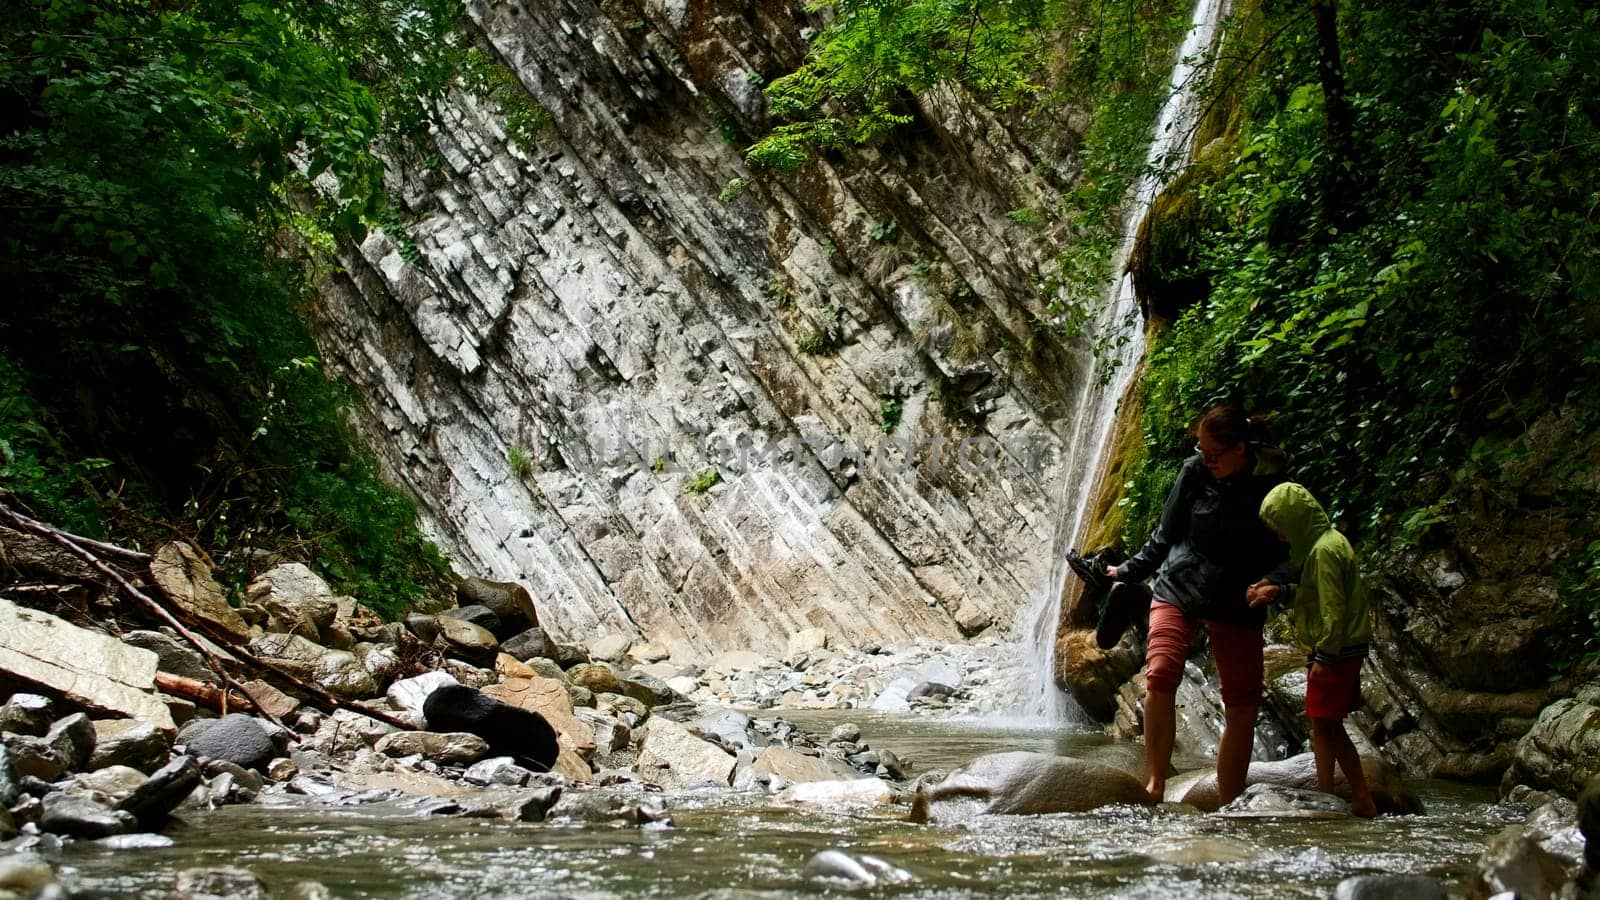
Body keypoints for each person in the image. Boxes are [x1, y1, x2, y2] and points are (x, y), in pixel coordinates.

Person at [1104, 405, 1290, 804]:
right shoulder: (1194, 471)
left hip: (1239, 596)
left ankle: (1229, 797)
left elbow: (1293, 547)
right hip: (1180, 582)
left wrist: (1275, 581)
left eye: (1213, 454)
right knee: (1160, 674)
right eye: (1200, 450)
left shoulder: (1274, 483)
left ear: (1241, 448)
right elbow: (1165, 533)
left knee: (1242, 702)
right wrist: (1128, 571)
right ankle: (1156, 781)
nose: (1205, 460)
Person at [1248, 482, 1377, 818]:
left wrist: (1324, 657)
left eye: (1282, 529)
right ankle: (1327, 792)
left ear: (1296, 521)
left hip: (1336, 650)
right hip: (1339, 646)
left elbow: (1334, 609)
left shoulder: (1323, 552)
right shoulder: (1327, 545)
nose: (1280, 538)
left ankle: (1361, 796)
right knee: (1323, 723)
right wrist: (1277, 593)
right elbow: (1313, 598)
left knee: (1328, 725)